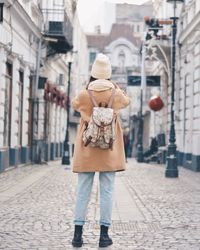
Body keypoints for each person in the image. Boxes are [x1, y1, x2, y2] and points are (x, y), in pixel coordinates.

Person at [71, 53, 130, 248]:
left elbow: (74, 104)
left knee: (82, 191)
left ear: (93, 72)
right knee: (107, 190)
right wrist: (116, 88)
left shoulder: (85, 92)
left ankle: (77, 235)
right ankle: (104, 236)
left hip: (88, 146)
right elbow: (126, 101)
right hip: (109, 148)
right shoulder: (115, 93)